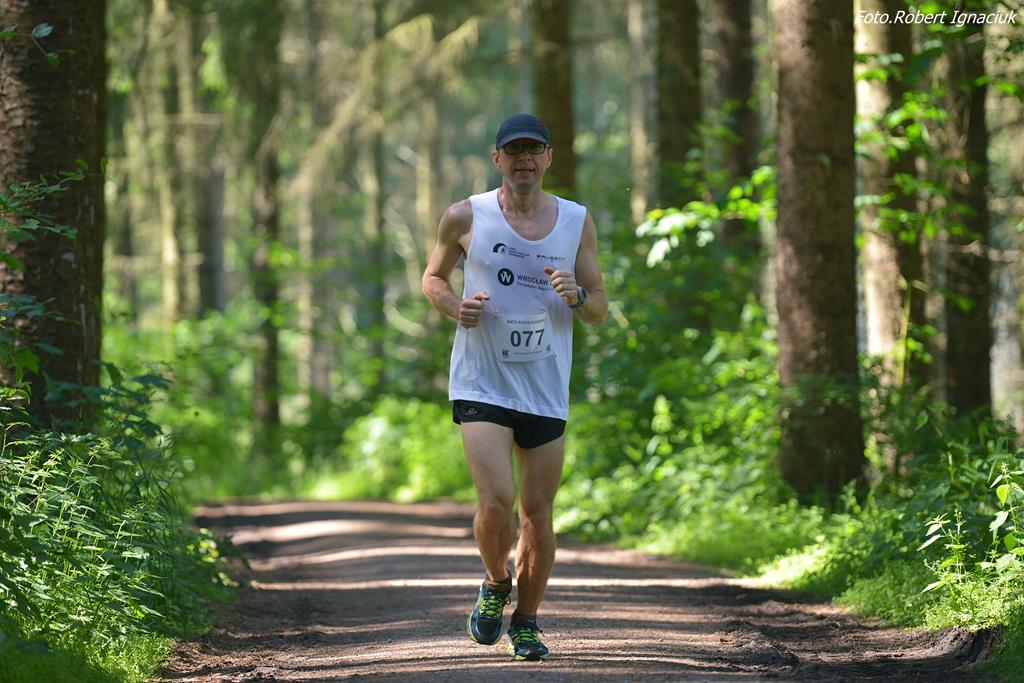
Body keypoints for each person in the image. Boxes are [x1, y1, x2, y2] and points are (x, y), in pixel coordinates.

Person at [421, 113, 608, 661]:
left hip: (545, 386)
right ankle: (495, 580)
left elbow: (599, 306)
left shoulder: (576, 221)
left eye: (534, 149)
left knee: (537, 516)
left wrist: (578, 296)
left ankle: (526, 622)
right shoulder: (465, 215)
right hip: (481, 380)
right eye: (514, 150)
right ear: (497, 158)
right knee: (497, 501)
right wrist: (456, 306)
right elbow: (432, 277)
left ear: (549, 158)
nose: (524, 159)